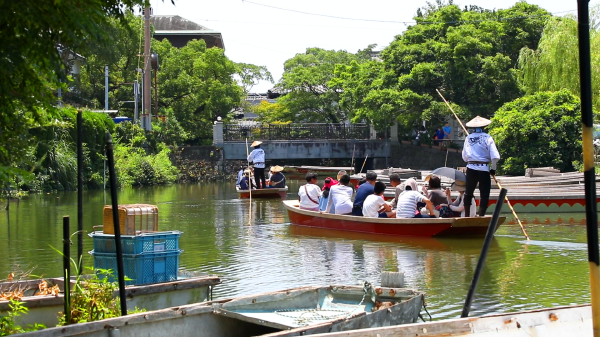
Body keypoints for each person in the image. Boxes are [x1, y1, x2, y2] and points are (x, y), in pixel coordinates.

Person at [462, 116, 501, 217]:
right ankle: (481, 215)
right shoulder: (487, 137)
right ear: (484, 127)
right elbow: (495, 156)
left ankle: (467, 215)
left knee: (468, 192)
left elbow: (465, 157)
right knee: (484, 193)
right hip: (484, 168)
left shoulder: (468, 138)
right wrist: (493, 169)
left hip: (471, 167)